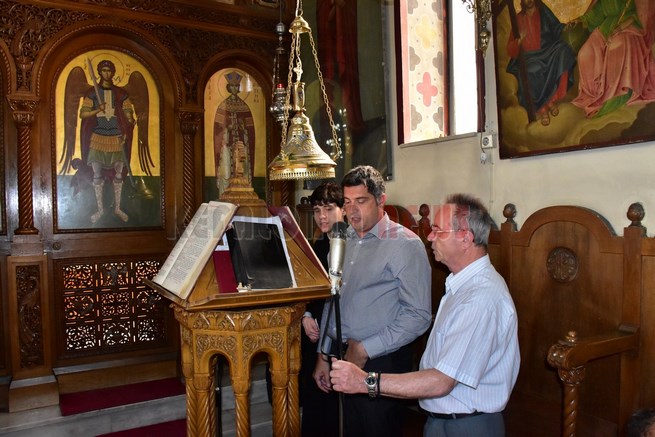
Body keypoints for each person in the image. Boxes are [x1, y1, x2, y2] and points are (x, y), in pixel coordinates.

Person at [329, 193, 520, 437]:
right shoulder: (461, 286)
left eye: (438, 230)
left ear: (465, 238)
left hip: (467, 425)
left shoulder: (479, 298)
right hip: (444, 420)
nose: (429, 236)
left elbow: (441, 381)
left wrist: (365, 382)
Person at [314, 165, 432, 437]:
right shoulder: (342, 238)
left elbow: (418, 315)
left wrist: (366, 349)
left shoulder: (404, 244)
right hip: (340, 355)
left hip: (382, 361)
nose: (352, 210)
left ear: (381, 200)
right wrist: (323, 353)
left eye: (361, 201)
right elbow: (333, 298)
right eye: (346, 202)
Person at [300, 181, 344, 437]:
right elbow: (311, 291)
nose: (322, 216)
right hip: (314, 331)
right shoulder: (318, 245)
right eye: (317, 210)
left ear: (343, 210)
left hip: (338, 334)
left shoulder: (349, 244)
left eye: (328, 209)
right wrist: (306, 316)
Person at [571, 0, 655, 118]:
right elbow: (596, 16)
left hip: (627, 28)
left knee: (616, 48)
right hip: (606, 28)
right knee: (584, 54)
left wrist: (619, 29)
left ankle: (612, 96)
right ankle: (592, 95)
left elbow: (635, 16)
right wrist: (581, 20)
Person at [80, 59, 135, 223]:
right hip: (97, 137)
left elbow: (128, 114)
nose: (107, 73)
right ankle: (100, 210)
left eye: (109, 70)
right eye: (103, 70)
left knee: (118, 172)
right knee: (96, 173)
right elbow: (83, 114)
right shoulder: (92, 93)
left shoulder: (121, 94)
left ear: (113, 73)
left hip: (116, 138)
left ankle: (117, 208)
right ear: (99, 72)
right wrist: (98, 109)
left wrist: (128, 126)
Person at [506, 0, 576, 126]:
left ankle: (551, 100)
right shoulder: (519, 18)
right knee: (532, 69)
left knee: (563, 50)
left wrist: (567, 28)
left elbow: (556, 27)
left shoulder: (543, 11)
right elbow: (510, 49)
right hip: (529, 57)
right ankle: (542, 109)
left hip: (547, 51)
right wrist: (519, 41)